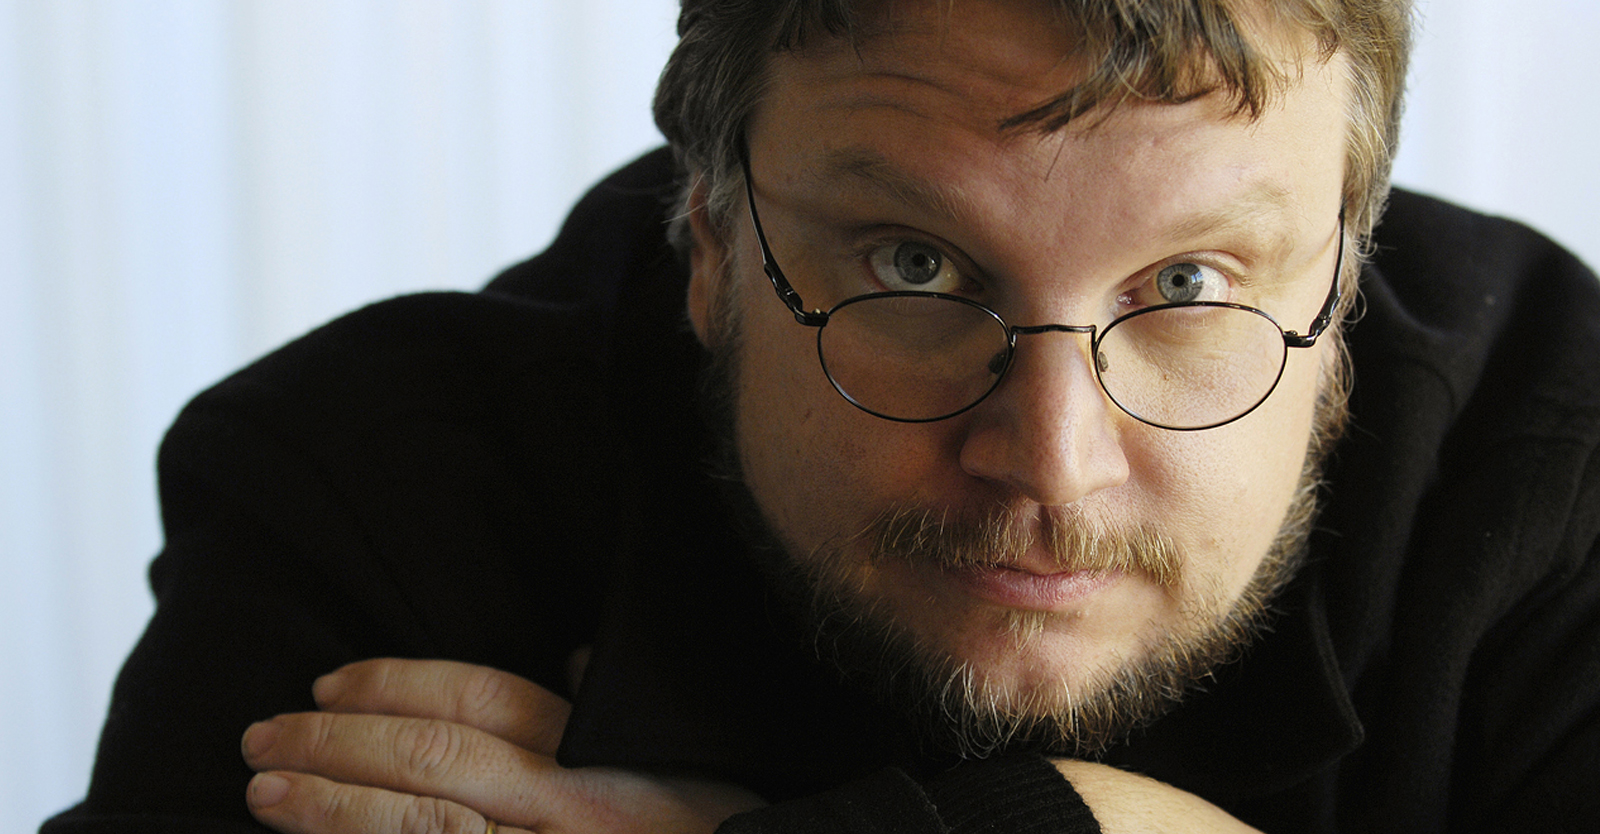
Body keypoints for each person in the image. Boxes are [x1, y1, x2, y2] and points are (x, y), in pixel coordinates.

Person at [42, 0, 1600, 832]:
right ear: (712, 243)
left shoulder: (1560, 465)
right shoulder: (376, 490)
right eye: (916, 266)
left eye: (1188, 283)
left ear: (1346, 269)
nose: (1051, 463)